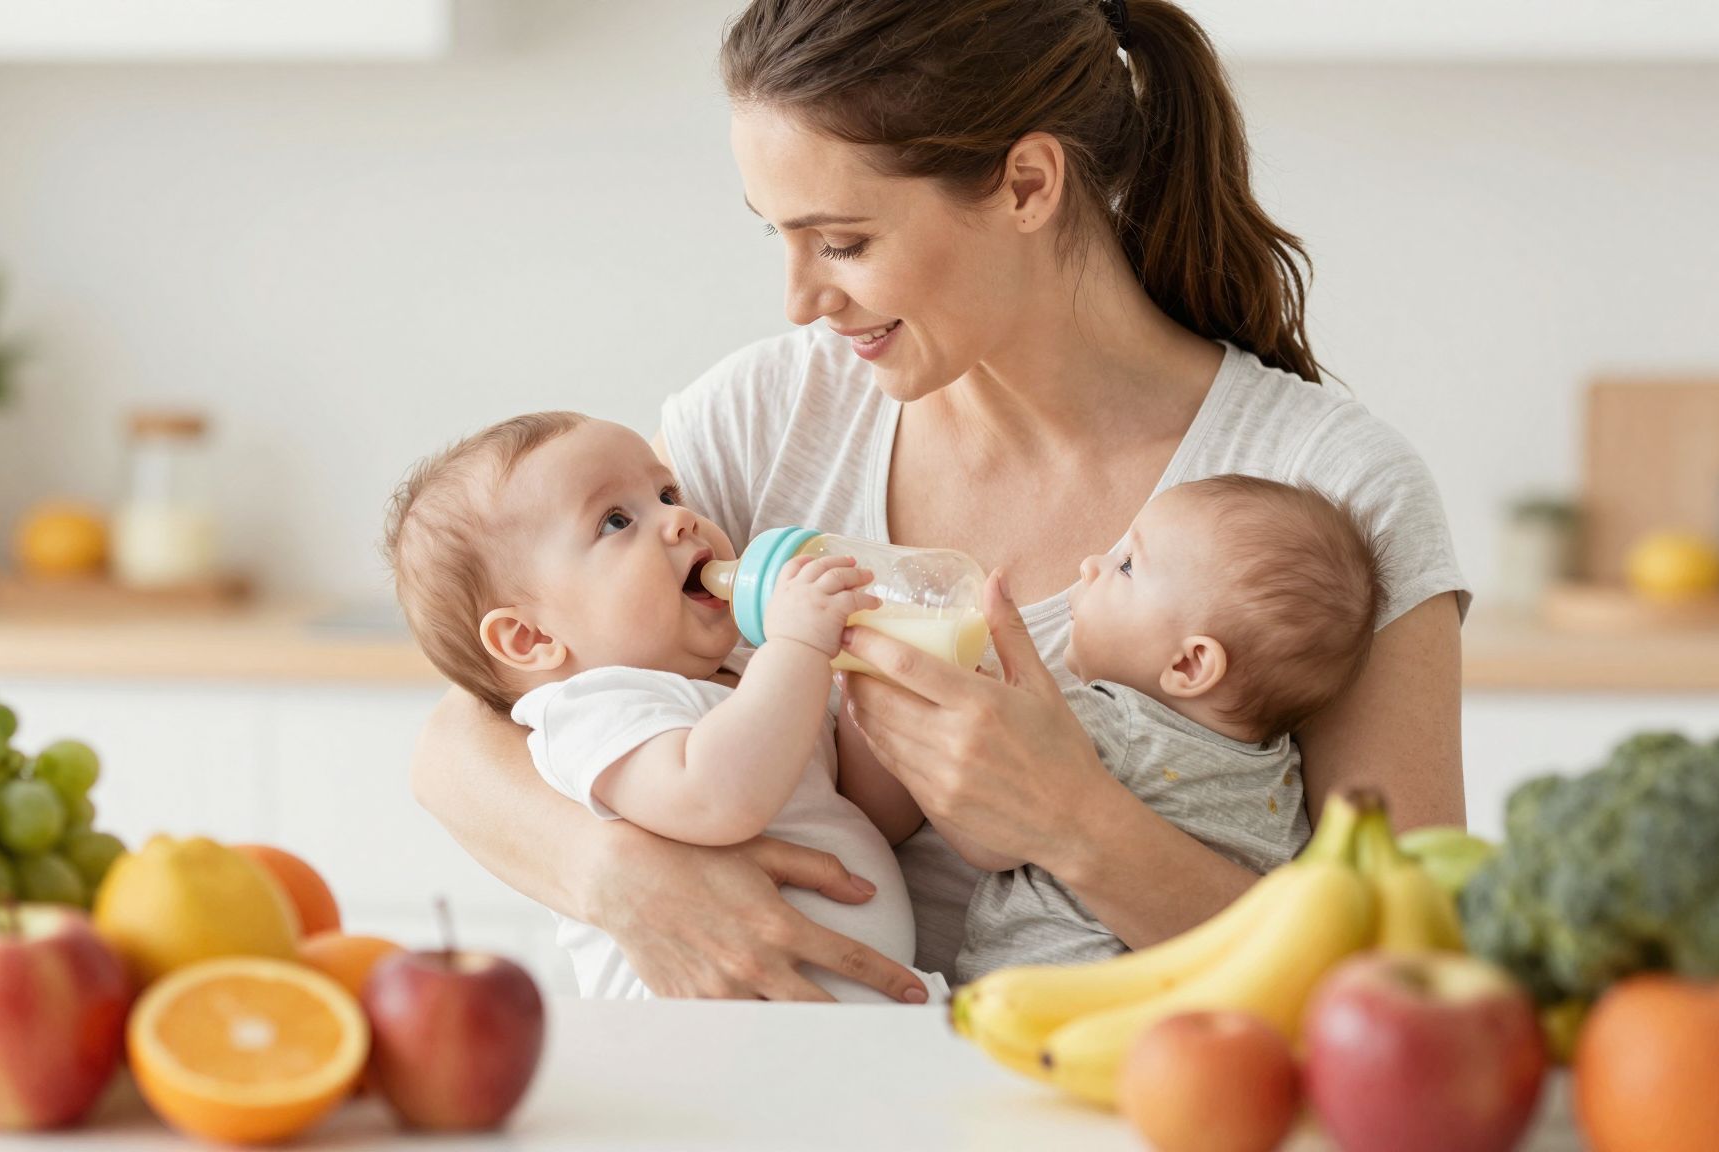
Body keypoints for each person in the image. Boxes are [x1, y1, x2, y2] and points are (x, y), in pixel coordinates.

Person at [410, 0, 1468, 1003]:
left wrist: (1075, 825)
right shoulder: (762, 419)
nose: (800, 300)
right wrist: (618, 879)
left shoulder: (1329, 488)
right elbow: (464, 738)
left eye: (844, 242)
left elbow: (1406, 976)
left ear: (1024, 184)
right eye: (775, 235)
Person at [384, 412, 947, 1003]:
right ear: (531, 639)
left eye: (667, 493)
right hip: (701, 1035)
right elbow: (716, 797)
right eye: (616, 520)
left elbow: (875, 817)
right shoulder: (590, 710)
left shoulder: (756, 674)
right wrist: (799, 646)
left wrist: (874, 688)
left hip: (830, 1021)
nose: (681, 520)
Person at [947, 475, 1383, 982]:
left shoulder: (1105, 722)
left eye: (1127, 566)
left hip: (1042, 1005)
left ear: (1191, 665)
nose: (1093, 565)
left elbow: (985, 838)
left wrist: (947, 699)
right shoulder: (1282, 775)